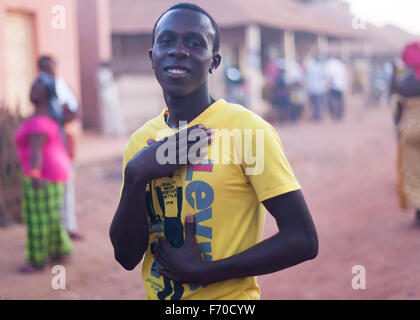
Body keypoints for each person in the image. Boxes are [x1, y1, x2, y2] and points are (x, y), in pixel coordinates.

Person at [110, 3, 318, 300]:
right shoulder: (141, 142)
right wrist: (136, 174)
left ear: (214, 61)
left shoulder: (248, 131)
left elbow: (303, 239)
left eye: (195, 43)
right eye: (166, 41)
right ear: (152, 57)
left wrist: (205, 272)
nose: (178, 50)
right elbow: (126, 256)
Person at [15, 75, 73, 272]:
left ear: (44, 94)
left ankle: (36, 260)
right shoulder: (46, 114)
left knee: (37, 218)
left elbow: (36, 150)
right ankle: (59, 250)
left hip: (44, 173)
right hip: (55, 171)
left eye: (35, 87)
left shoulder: (39, 119)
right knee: (50, 215)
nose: (31, 89)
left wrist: (34, 174)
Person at [37, 56, 83, 240]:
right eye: (44, 68)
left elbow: (76, 111)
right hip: (47, 147)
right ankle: (54, 232)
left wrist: (63, 118)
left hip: (64, 141)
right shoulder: (40, 88)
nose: (49, 71)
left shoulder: (62, 86)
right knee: (50, 188)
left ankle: (69, 227)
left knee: (67, 184)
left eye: (51, 67)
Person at [390, 41, 420, 225]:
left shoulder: (404, 83)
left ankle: (419, 213)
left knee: (414, 171)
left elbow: (397, 113)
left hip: (409, 130)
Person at [325, 55, 347, 120]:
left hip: (334, 86)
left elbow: (329, 75)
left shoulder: (330, 64)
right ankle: (339, 113)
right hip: (340, 85)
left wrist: (327, 84)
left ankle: (335, 113)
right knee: (339, 100)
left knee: (332, 100)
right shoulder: (340, 64)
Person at [305, 56, 326, 121]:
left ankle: (316, 115)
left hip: (312, 87)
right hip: (318, 87)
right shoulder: (319, 67)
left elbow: (306, 76)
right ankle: (317, 115)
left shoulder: (310, 67)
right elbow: (323, 76)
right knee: (317, 103)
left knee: (313, 103)